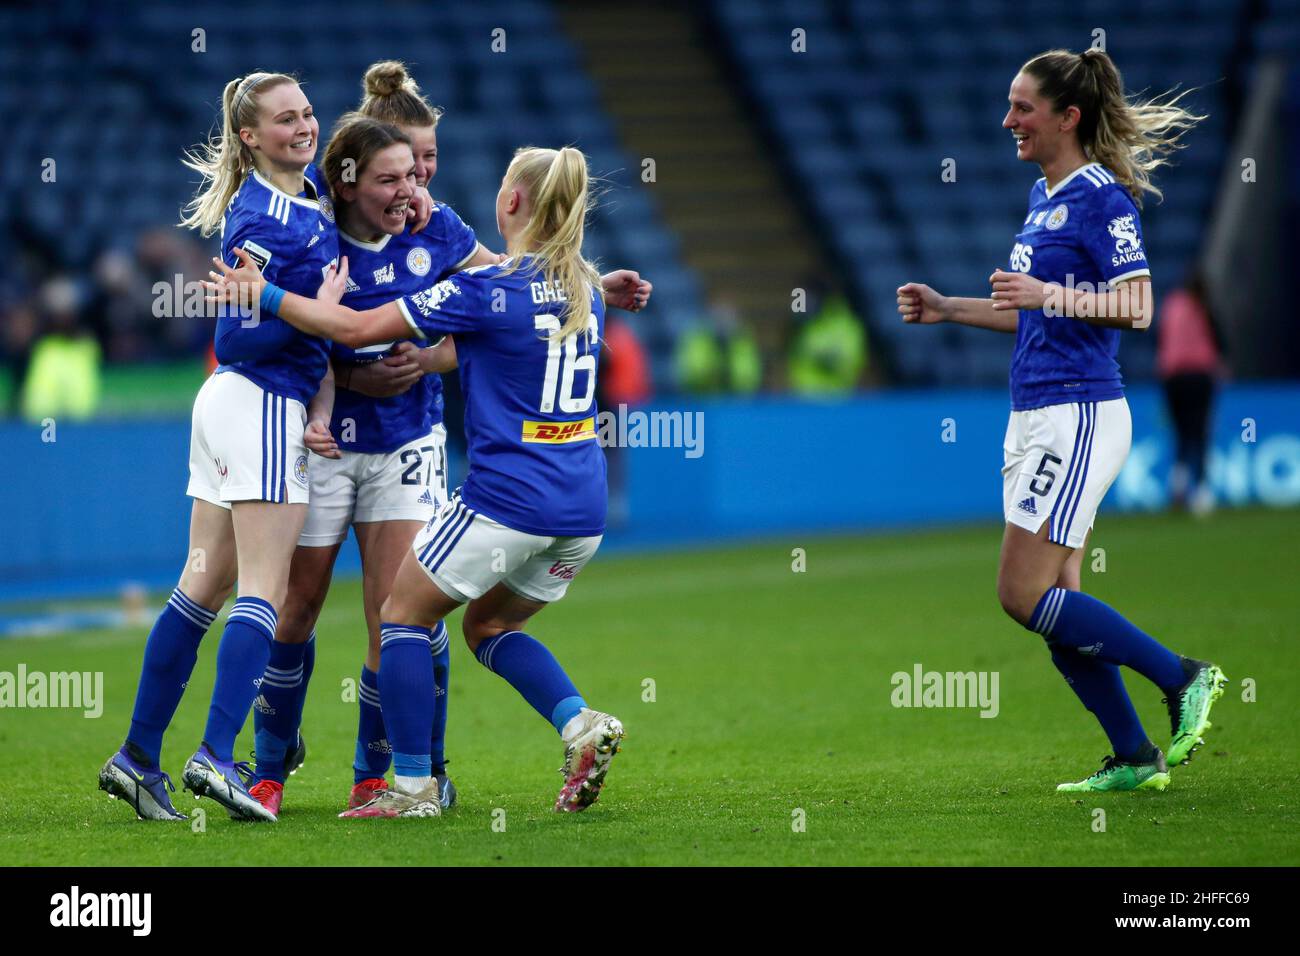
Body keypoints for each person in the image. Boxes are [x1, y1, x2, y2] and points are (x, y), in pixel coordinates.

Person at [247, 62, 652, 818]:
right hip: (583, 511)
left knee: (400, 617)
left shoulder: (483, 286)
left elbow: (367, 327)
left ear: (509, 202)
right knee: (487, 624)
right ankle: (579, 721)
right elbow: (489, 338)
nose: (419, 181)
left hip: (508, 500)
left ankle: (410, 784)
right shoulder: (581, 293)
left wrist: (263, 294)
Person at [95, 71, 431, 823]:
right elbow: (240, 331)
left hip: (245, 405)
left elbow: (360, 168)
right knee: (264, 592)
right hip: (259, 404)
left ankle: (136, 757)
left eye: (308, 112)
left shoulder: (304, 194)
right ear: (249, 137)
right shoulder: (260, 218)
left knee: (201, 586)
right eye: (285, 119)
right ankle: (216, 755)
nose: (304, 126)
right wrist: (323, 309)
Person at [897, 49, 1225, 792]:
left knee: (1022, 594)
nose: (1008, 120)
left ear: (1067, 117)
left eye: (1022, 107)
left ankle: (1182, 676)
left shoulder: (1102, 199)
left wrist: (1049, 294)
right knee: (1060, 607)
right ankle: (1135, 756)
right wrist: (950, 307)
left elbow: (1136, 305)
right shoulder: (1044, 200)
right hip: (1038, 412)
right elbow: (1033, 312)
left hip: (1077, 413)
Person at [1156, 269, 1224, 515]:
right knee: (1201, 433)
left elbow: (1160, 340)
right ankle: (1203, 492)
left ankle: (1178, 489)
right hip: (1200, 375)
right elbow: (1220, 340)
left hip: (1173, 377)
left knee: (1181, 433)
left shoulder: (1172, 304)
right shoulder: (1205, 307)